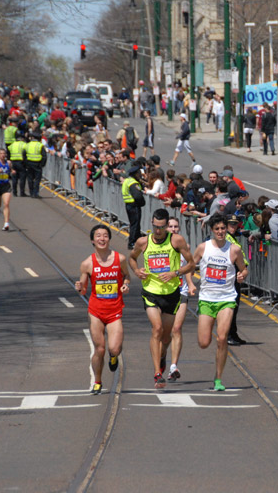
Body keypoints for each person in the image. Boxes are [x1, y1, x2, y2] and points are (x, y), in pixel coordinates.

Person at [130, 208, 196, 388]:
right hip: (151, 292)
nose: (158, 231)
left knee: (166, 337)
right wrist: (137, 270)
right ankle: (157, 372)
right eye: (155, 226)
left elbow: (191, 264)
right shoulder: (143, 241)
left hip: (171, 293)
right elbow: (132, 258)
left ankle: (163, 356)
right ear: (151, 224)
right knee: (157, 328)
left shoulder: (176, 241)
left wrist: (175, 273)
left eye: (161, 227)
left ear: (167, 226)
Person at [191, 214, 248, 391]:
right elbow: (190, 266)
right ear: (212, 231)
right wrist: (190, 283)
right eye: (217, 229)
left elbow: (244, 269)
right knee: (203, 342)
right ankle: (216, 374)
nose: (221, 232)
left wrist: (241, 276)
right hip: (207, 298)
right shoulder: (203, 248)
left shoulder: (235, 249)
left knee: (222, 338)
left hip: (227, 298)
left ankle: (218, 379)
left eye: (223, 228)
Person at [74, 225, 130, 395]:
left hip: (115, 311)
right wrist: (79, 287)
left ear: (109, 239)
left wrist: (126, 285)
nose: (102, 239)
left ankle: (113, 358)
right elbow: (83, 290)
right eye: (98, 236)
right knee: (99, 349)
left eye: (105, 235)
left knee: (114, 348)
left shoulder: (119, 259)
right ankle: (98, 381)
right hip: (96, 311)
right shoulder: (87, 263)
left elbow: (126, 276)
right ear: (93, 240)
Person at [164, 216, 197, 381]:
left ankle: (173, 366)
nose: (173, 229)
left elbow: (189, 267)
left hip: (180, 291)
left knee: (176, 329)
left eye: (176, 227)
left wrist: (190, 283)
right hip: (162, 293)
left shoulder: (185, 246)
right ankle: (161, 358)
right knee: (163, 332)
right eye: (170, 226)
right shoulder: (158, 247)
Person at [225, 214, 250, 346]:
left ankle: (233, 333)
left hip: (237, 274)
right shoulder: (226, 238)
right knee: (231, 307)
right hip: (231, 276)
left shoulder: (232, 237)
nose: (233, 227)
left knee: (235, 307)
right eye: (230, 224)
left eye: (235, 224)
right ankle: (228, 334)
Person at [122, 165, 146, 250]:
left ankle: (137, 240)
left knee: (135, 224)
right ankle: (132, 242)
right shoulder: (133, 183)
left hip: (128, 204)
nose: (140, 174)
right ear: (135, 173)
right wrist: (143, 203)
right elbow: (137, 196)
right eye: (139, 173)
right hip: (134, 205)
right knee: (135, 225)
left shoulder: (127, 180)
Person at [23, 132, 46, 198]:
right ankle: (35, 193)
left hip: (29, 164)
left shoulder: (27, 145)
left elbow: (24, 155)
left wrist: (25, 163)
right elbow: (44, 156)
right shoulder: (40, 145)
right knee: (37, 179)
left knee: (30, 179)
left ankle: (31, 192)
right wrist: (42, 164)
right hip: (37, 164)